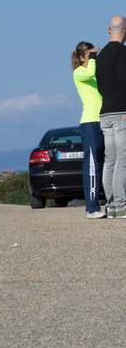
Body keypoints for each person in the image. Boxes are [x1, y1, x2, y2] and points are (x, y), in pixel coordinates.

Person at [95, 16, 126, 219]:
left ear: (109, 30)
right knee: (122, 159)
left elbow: (99, 85)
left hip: (104, 112)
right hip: (120, 112)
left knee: (110, 161)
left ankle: (112, 206)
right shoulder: (121, 52)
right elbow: (124, 80)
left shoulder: (101, 54)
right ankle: (122, 206)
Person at [71, 42, 105, 218]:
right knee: (92, 165)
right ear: (83, 57)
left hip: (104, 119)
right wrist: (93, 56)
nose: (93, 58)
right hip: (90, 122)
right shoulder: (79, 72)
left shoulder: (94, 72)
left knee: (108, 164)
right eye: (90, 55)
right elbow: (90, 72)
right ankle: (92, 208)